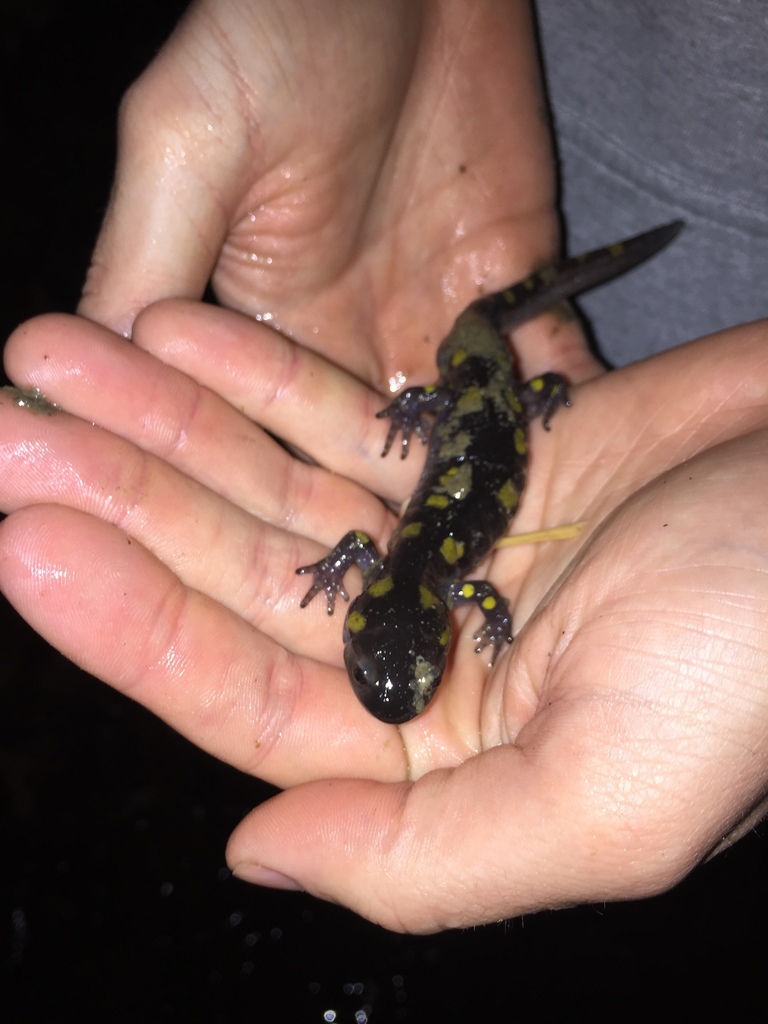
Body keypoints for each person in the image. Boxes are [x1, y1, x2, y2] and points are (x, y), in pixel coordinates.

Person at [1, 0, 767, 934]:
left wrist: (428, 490)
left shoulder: (423, 580)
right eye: (394, 664)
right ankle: (525, 371)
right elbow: (452, 585)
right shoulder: (432, 584)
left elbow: (402, 560)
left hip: (487, 385)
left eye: (376, 662)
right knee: (488, 386)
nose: (392, 682)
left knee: (492, 382)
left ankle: (541, 357)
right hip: (486, 368)